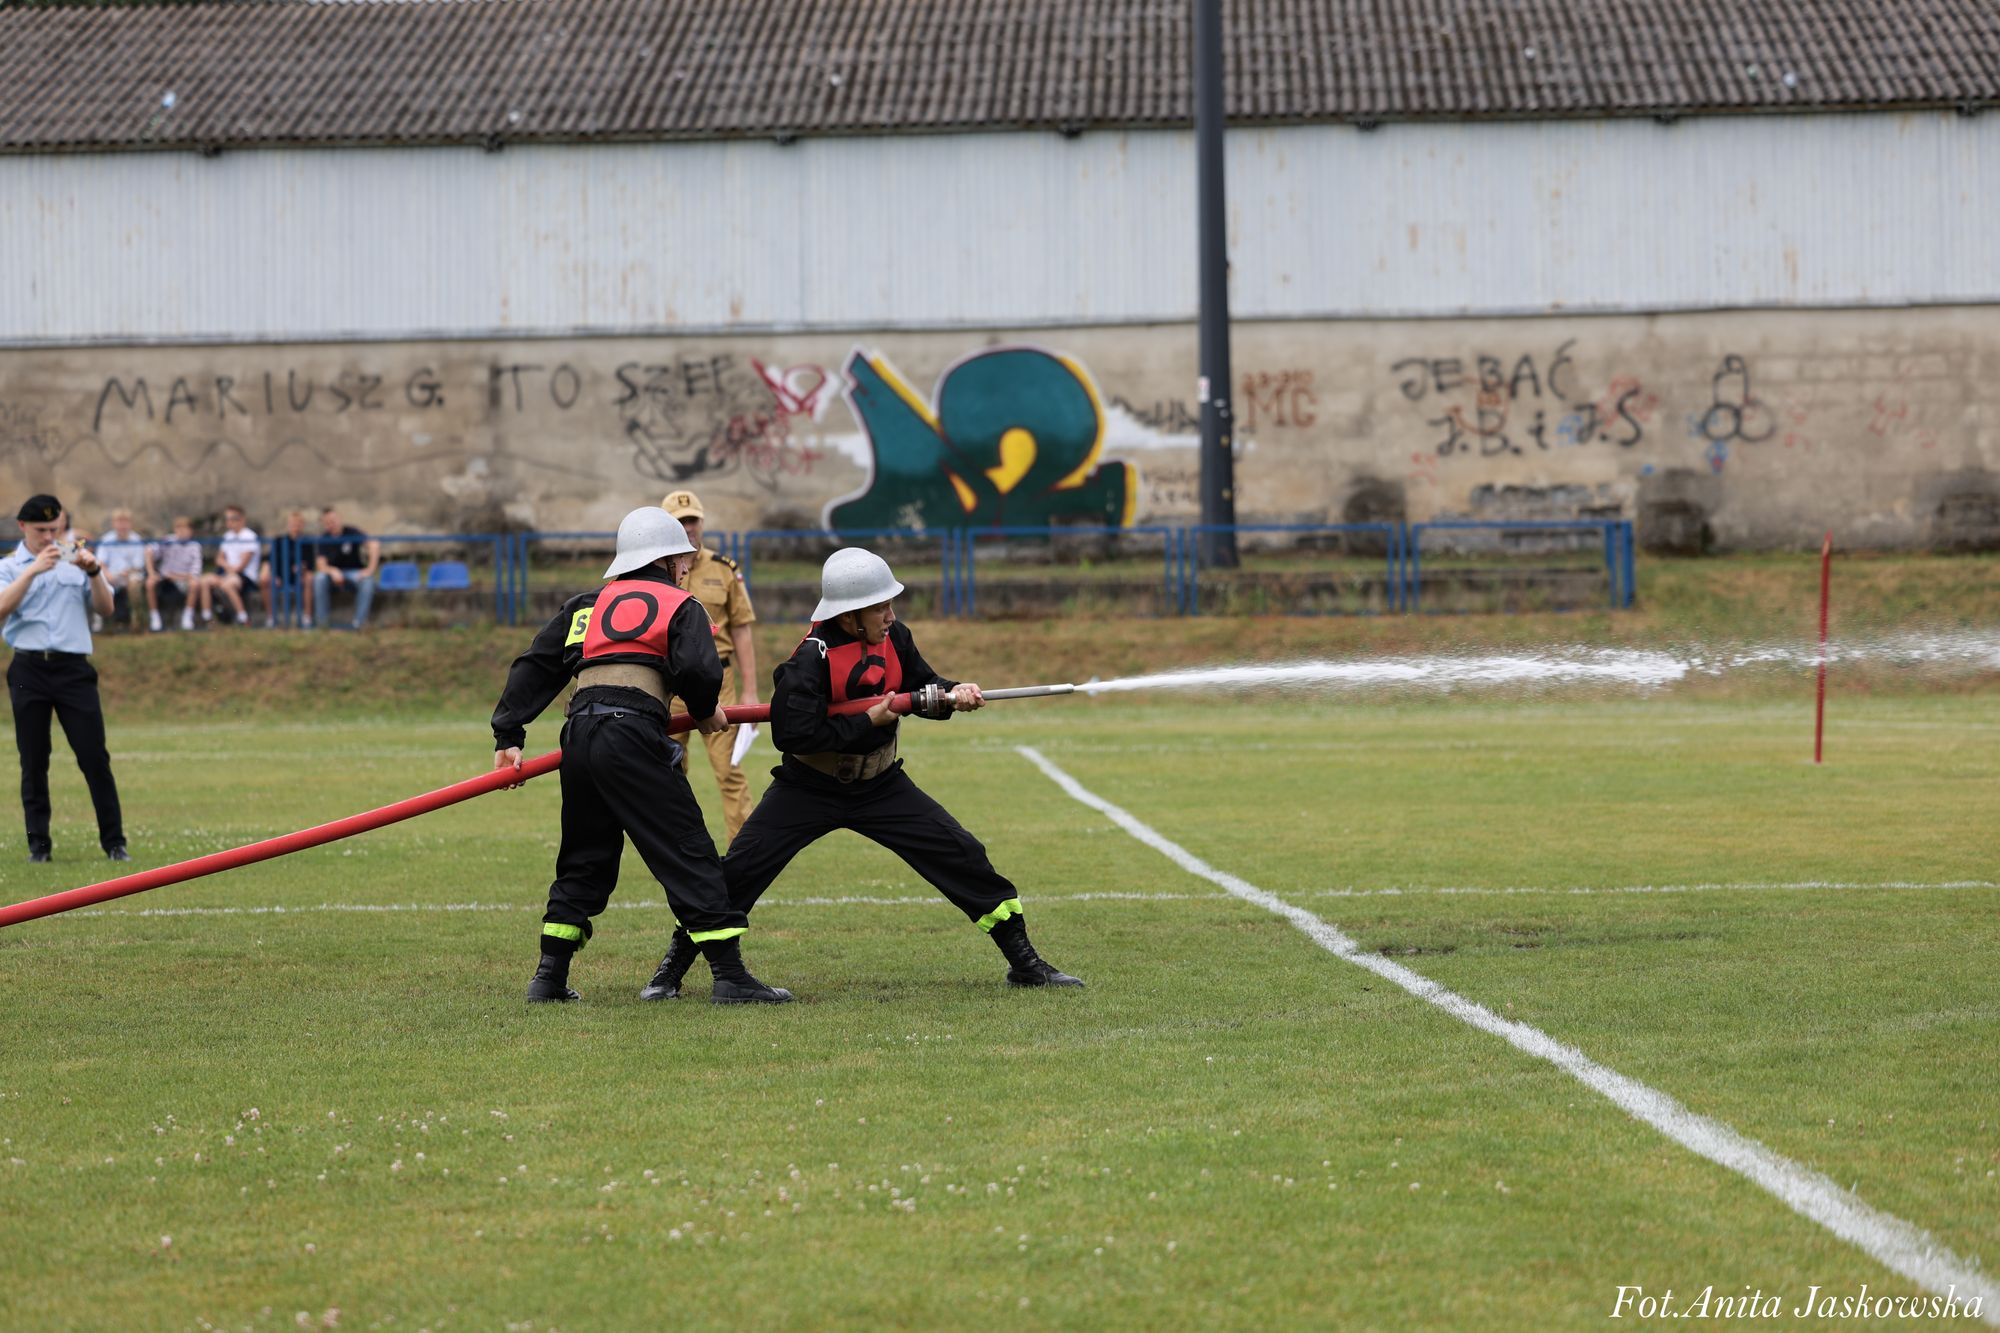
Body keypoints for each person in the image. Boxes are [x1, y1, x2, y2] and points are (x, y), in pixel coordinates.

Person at [640, 547, 1081, 1002]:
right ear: (850, 616)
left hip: (881, 783)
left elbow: (919, 686)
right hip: (807, 786)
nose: (891, 615)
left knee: (961, 853)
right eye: (881, 606)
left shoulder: (897, 637)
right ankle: (671, 970)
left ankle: (1025, 963)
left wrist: (954, 693)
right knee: (738, 874)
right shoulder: (809, 659)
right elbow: (793, 733)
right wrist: (867, 721)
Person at [489, 505, 789, 1005]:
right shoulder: (681, 604)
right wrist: (705, 709)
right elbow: (698, 666)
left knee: (584, 857)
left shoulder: (585, 605)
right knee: (687, 849)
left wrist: (508, 736)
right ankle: (730, 976)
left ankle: (548, 978)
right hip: (633, 736)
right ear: (669, 562)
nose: (687, 567)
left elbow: (535, 665)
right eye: (683, 559)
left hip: (579, 735)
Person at [0, 494, 128, 863]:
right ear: (23, 527)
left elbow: (106, 607)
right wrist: (32, 571)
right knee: (34, 759)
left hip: (73, 669)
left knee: (93, 757)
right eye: (41, 530)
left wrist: (93, 572)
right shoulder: (11, 566)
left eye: (54, 529)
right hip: (28, 668)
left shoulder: (75, 557)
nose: (48, 536)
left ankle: (115, 843)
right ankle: (39, 846)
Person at [659, 490, 759, 843]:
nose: (688, 527)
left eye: (692, 519)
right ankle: (674, 843)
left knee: (729, 769)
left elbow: (742, 629)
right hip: (669, 683)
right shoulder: (655, 572)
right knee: (669, 768)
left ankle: (742, 848)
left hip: (720, 680)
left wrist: (750, 689)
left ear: (701, 523)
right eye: (679, 521)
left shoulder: (724, 569)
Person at [311, 507, 380, 630]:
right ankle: (322, 623)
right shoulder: (323, 539)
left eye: (333, 520)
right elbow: (321, 565)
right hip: (332, 575)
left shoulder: (352, 532)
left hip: (354, 572)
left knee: (368, 581)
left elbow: (374, 545)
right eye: (327, 522)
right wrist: (333, 571)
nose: (331, 524)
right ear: (324, 525)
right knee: (319, 579)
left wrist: (370, 569)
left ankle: (359, 623)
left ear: (339, 519)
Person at [198, 505, 260, 627]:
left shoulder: (249, 536)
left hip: (245, 576)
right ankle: (207, 618)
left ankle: (244, 619)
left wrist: (230, 569)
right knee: (205, 581)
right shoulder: (228, 536)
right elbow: (219, 558)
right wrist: (227, 568)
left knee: (228, 584)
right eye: (227, 519)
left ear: (242, 519)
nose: (229, 522)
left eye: (233, 518)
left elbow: (243, 563)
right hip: (227, 572)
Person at [93, 508, 148, 631]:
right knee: (97, 581)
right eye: (119, 522)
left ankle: (136, 622)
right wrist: (108, 575)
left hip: (131, 575)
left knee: (134, 585)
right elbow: (100, 562)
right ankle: (100, 622)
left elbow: (138, 566)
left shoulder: (136, 540)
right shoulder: (106, 539)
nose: (122, 525)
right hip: (111, 575)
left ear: (130, 523)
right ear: (114, 523)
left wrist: (126, 573)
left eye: (125, 522)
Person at [146, 516, 204, 632]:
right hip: (165, 578)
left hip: (183, 580)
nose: (181, 532)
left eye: (184, 529)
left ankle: (187, 617)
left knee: (195, 584)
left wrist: (176, 576)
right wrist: (151, 572)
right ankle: (154, 617)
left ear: (190, 531)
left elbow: (195, 573)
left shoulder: (195, 546)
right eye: (178, 528)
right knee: (150, 583)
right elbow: (149, 551)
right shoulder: (168, 540)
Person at [266, 510, 316, 629]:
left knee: (309, 579)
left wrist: (302, 567)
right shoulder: (279, 541)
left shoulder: (307, 542)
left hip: (299, 576)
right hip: (281, 576)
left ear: (302, 525)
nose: (295, 526)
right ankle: (271, 617)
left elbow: (311, 565)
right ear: (288, 525)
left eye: (298, 524)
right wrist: (274, 575)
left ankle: (307, 617)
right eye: (293, 523)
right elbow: (270, 560)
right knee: (265, 579)